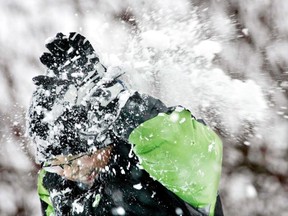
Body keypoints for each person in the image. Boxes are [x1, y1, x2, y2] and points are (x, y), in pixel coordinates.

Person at [27, 32, 224, 216]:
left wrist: (127, 108)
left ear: (102, 141)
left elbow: (189, 151)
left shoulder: (156, 168)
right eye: (56, 165)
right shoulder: (59, 191)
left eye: (74, 159)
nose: (69, 172)